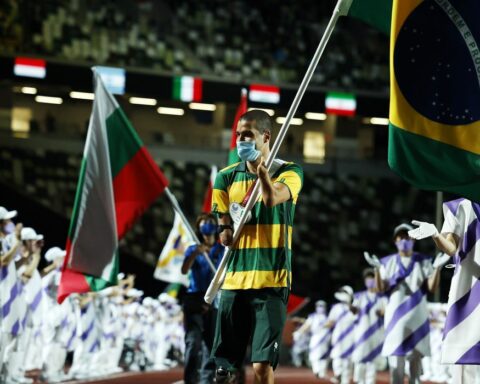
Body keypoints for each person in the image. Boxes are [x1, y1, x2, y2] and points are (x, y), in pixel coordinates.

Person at [210, 109, 303, 384]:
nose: (241, 140)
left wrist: (261, 169)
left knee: (262, 367)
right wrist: (226, 229)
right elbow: (223, 223)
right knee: (224, 369)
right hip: (234, 280)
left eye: (247, 135)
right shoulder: (225, 177)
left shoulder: (289, 171)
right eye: (238, 135)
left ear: (265, 137)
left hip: (271, 280)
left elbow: (272, 198)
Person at [408, 198, 480, 383]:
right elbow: (451, 247)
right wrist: (436, 234)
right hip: (471, 289)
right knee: (467, 360)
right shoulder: (464, 205)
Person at [365, 223, 443, 384]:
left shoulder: (424, 261)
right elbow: (380, 289)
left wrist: (437, 269)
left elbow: (432, 288)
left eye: (407, 237)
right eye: (400, 237)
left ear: (414, 239)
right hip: (395, 319)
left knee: (415, 364)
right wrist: (377, 271)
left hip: (418, 319)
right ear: (395, 240)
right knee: (396, 363)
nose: (404, 240)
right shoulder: (387, 262)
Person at [181, 213, 224, 384]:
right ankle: (190, 380)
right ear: (198, 227)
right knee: (193, 343)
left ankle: (206, 380)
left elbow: (223, 277)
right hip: (194, 299)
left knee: (210, 346)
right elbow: (184, 270)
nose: (207, 225)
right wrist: (195, 254)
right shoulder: (193, 248)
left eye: (211, 222)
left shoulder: (222, 250)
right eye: (204, 222)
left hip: (213, 298)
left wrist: (211, 300)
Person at [350, 268, 386, 384]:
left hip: (376, 332)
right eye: (368, 278)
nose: (370, 280)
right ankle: (359, 380)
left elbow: (387, 310)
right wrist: (351, 307)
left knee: (373, 360)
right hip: (362, 332)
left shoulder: (382, 297)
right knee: (360, 358)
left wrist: (383, 312)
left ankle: (370, 381)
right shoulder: (359, 296)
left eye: (372, 278)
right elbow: (354, 311)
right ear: (365, 281)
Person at [328, 285, 357, 384]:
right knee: (337, 356)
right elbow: (331, 322)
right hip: (339, 336)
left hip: (351, 336)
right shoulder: (336, 307)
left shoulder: (355, 308)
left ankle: (344, 378)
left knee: (348, 359)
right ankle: (338, 374)